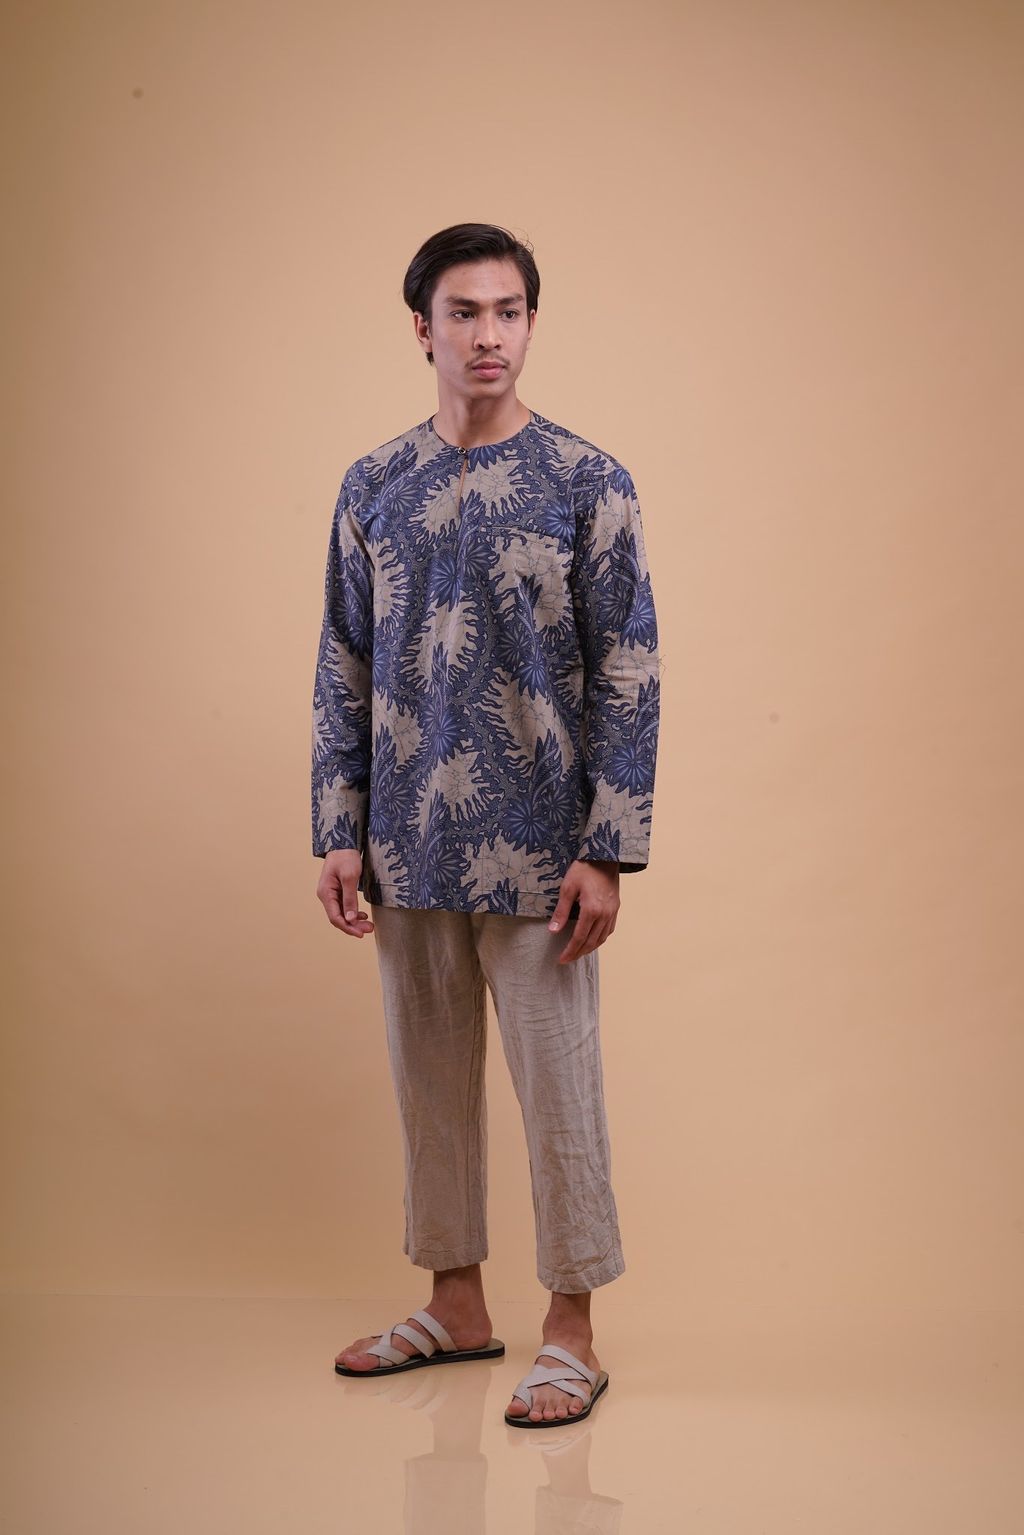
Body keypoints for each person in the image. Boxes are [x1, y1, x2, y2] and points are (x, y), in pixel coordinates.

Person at [312, 223, 661, 1426]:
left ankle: (571, 1329)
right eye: (463, 312)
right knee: (430, 1085)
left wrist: (607, 845)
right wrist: (338, 824)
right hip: (406, 840)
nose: (488, 335)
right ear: (423, 328)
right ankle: (453, 1304)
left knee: (558, 1088)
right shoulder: (372, 484)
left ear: (530, 324)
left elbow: (630, 669)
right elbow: (342, 664)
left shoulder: (587, 481)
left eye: (508, 310)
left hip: (542, 848)